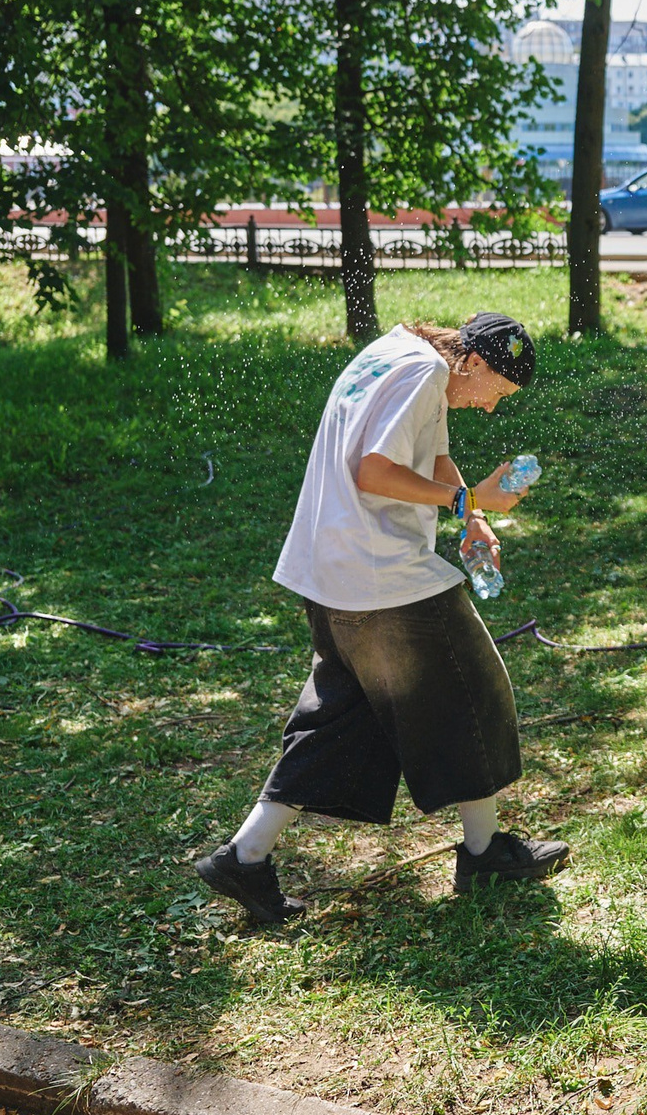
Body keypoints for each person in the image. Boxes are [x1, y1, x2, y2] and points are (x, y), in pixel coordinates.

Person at [194, 312, 570, 926]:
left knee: (340, 718)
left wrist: (472, 521)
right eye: (496, 393)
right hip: (380, 578)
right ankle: (483, 853)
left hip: (330, 572)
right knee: (472, 689)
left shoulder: (404, 352)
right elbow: (373, 471)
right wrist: (470, 498)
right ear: (472, 363)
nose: (491, 408)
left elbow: (434, 450)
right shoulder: (426, 372)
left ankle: (245, 855)